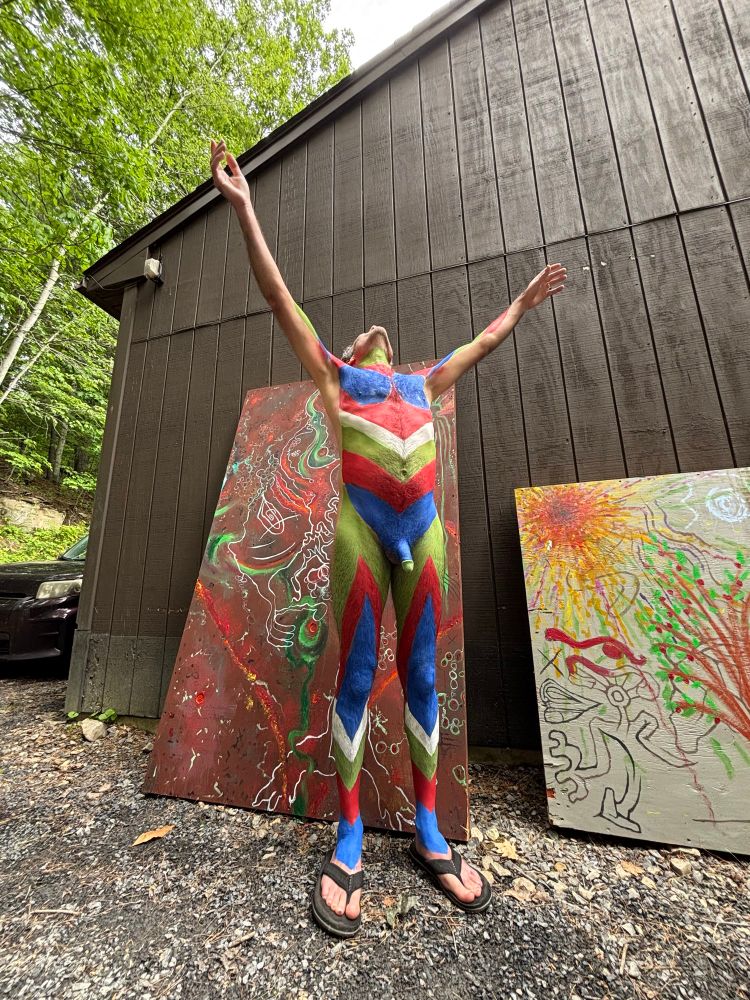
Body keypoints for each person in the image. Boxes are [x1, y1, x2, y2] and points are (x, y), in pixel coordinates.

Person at [210, 138, 566, 937]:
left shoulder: (422, 383)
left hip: (425, 536)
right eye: (362, 332)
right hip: (364, 533)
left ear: (397, 355)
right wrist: (246, 211)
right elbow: (280, 299)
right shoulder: (340, 380)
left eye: (383, 335)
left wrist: (521, 303)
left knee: (425, 677)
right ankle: (348, 835)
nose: (375, 334)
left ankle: (431, 831)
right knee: (361, 674)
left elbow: (481, 342)